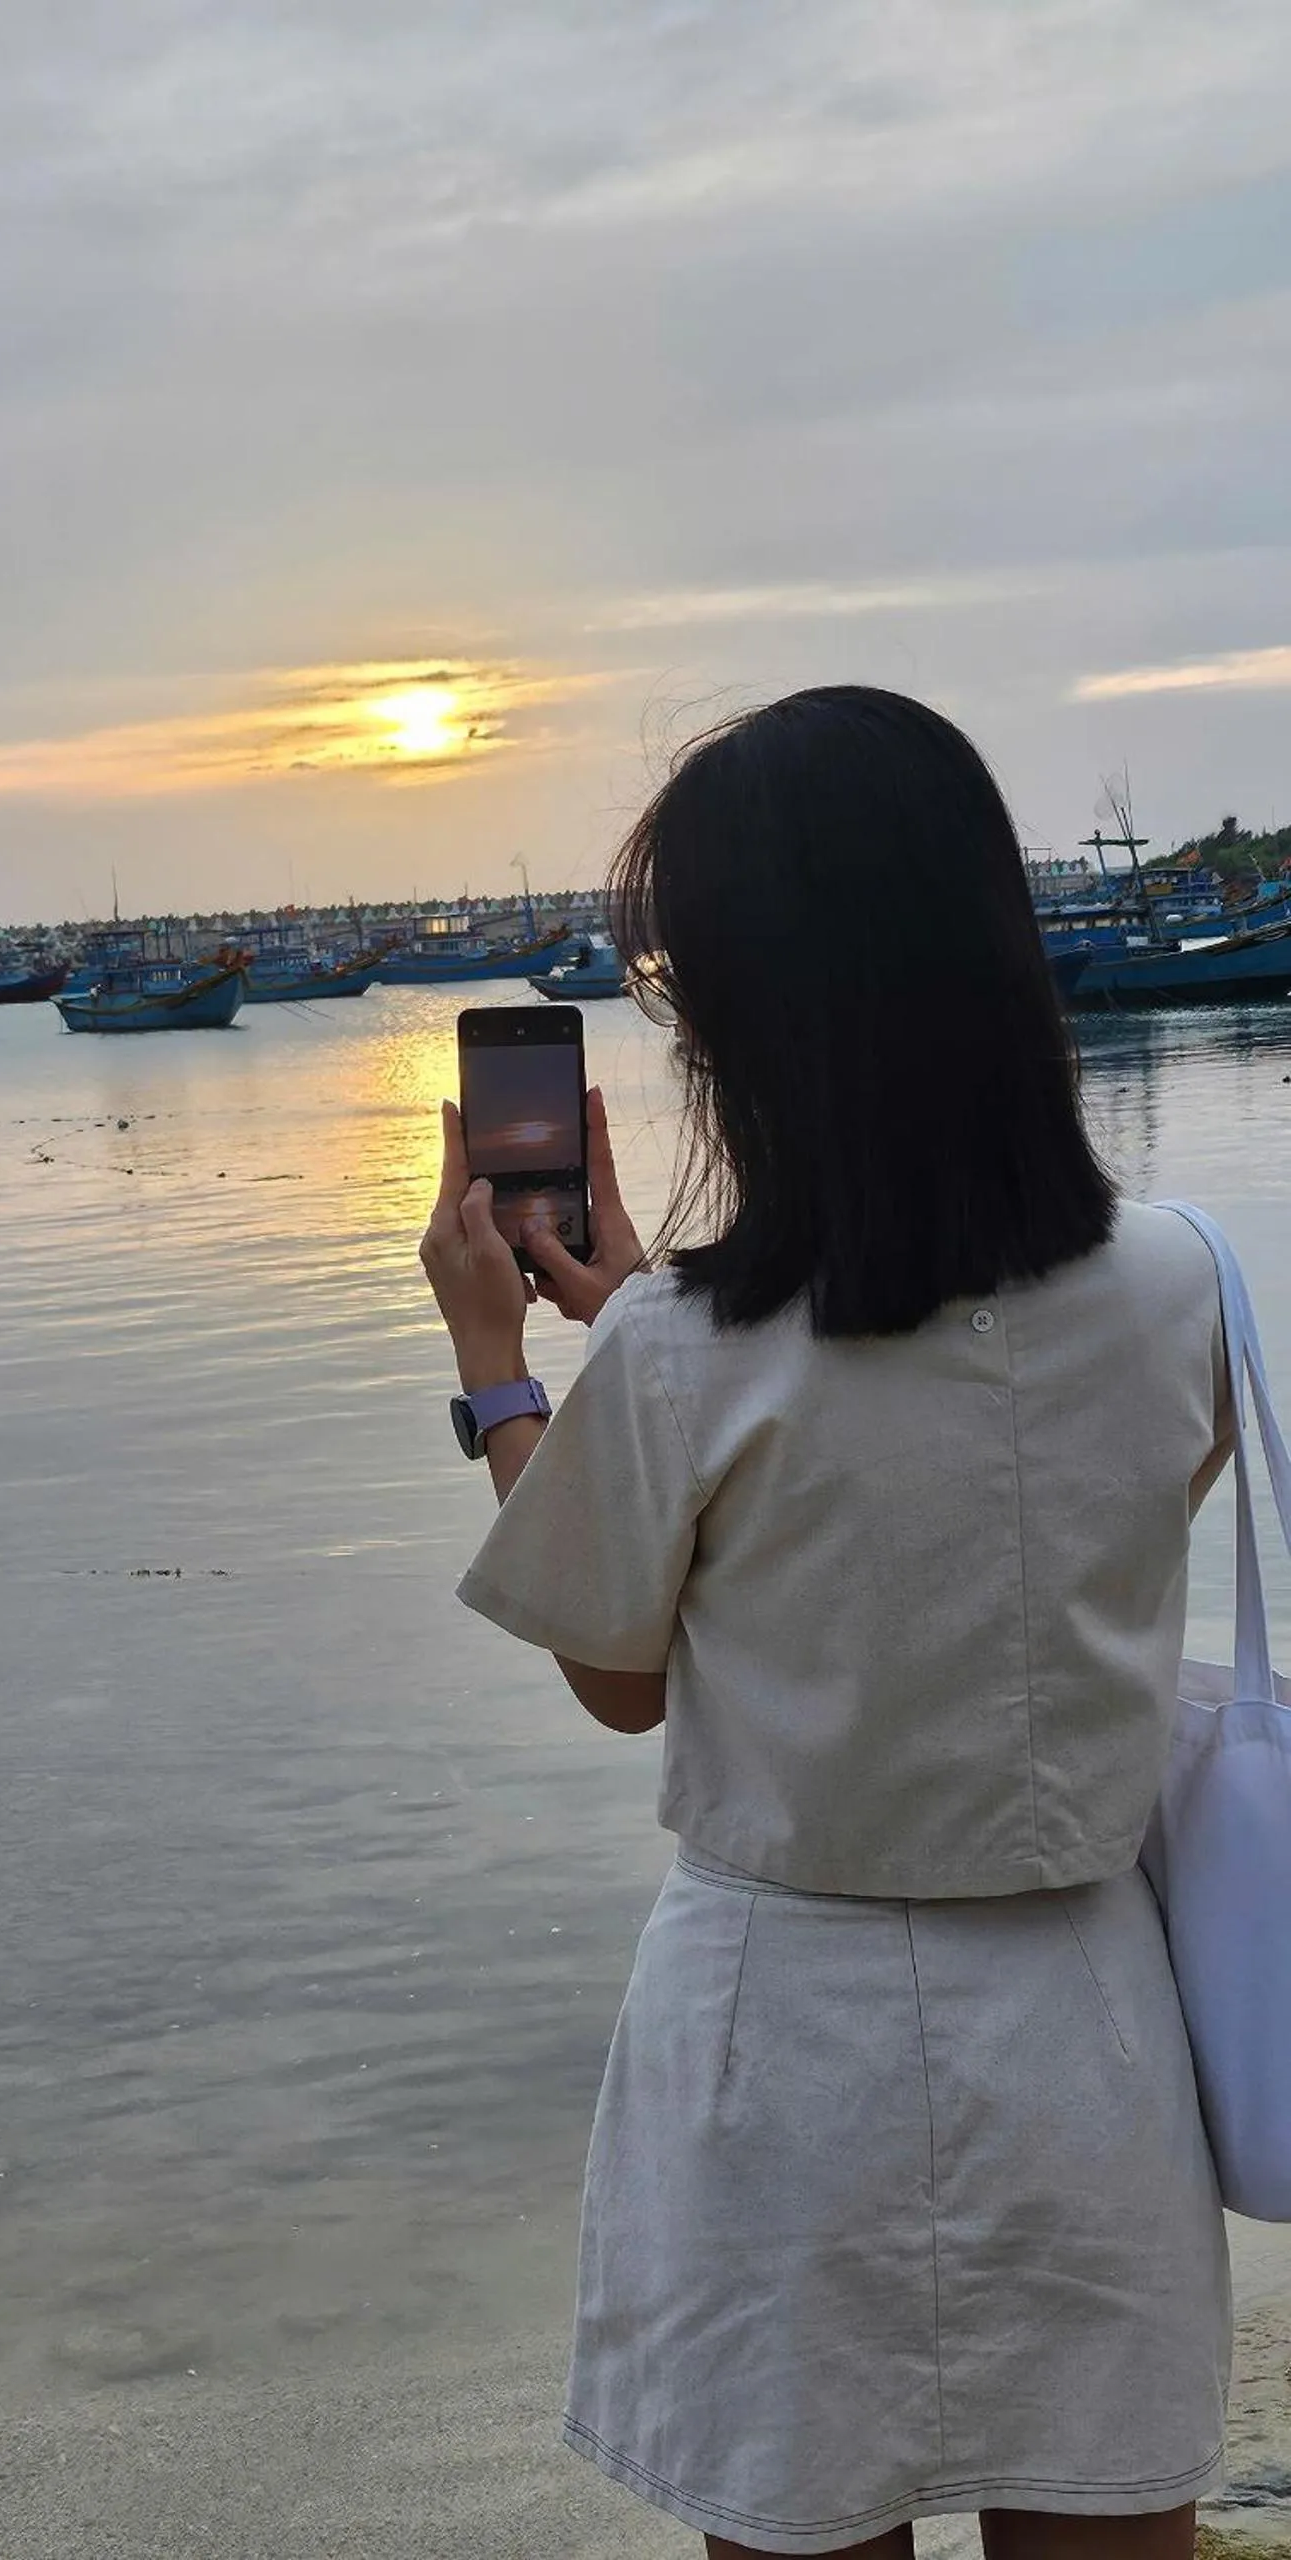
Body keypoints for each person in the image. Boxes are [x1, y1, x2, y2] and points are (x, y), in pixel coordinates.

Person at [419, 685, 1233, 2560]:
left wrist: (500, 1369)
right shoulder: (1180, 1285)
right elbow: (1046, 1555)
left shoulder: (680, 1350)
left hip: (782, 2049)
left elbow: (622, 1677)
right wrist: (642, 1340)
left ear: (758, 1013)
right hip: (1086, 2029)